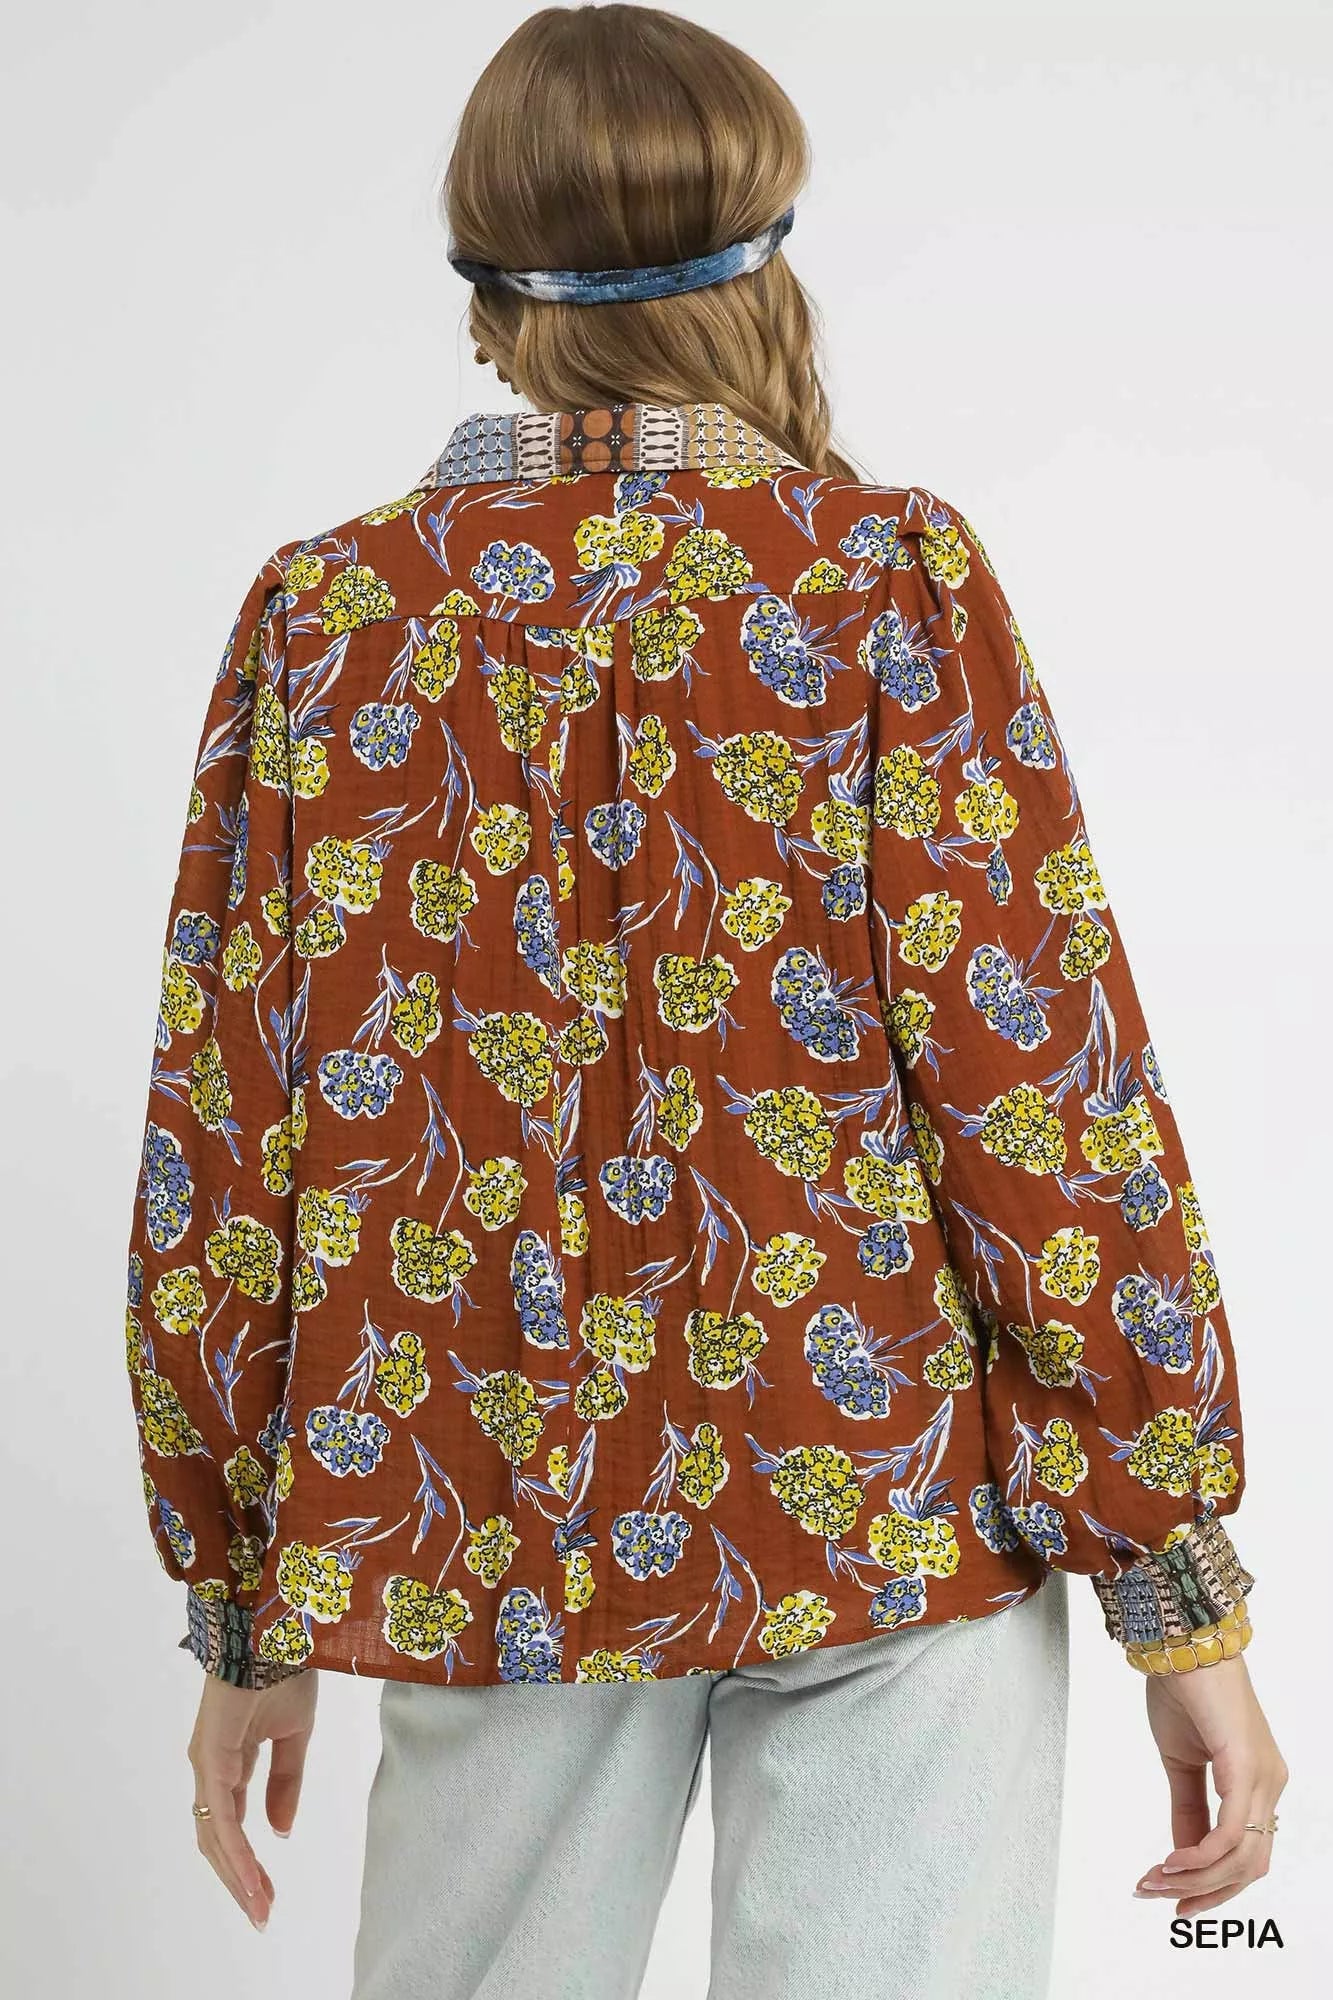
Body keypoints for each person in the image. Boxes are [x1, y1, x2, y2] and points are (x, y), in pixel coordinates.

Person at [119, 6, 1287, 1995]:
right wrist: (1173, 1592)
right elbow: (1034, 1090)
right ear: (763, 254)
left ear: (488, 295)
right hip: (887, 1502)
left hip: (480, 1515)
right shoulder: (881, 581)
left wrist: (247, 1601)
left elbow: (227, 1136)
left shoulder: (329, 620)